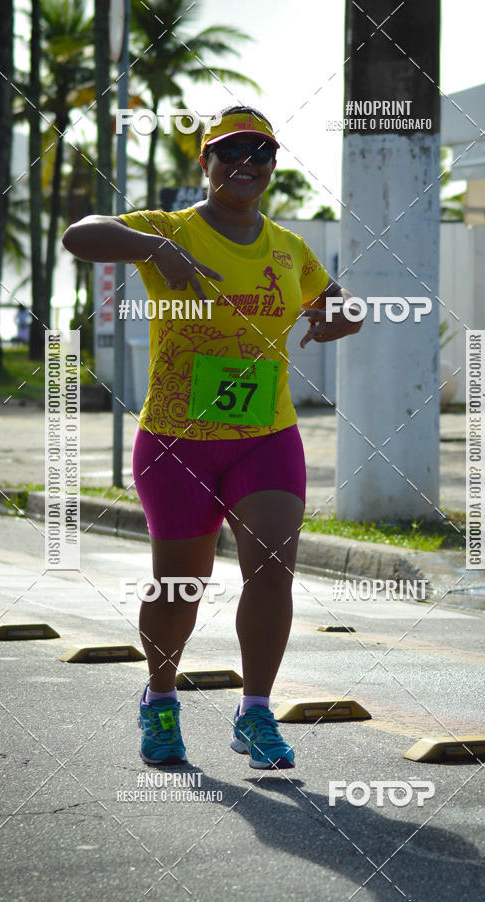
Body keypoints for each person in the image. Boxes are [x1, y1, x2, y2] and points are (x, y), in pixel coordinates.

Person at [62, 105, 360, 770]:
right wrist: (155, 249)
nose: (245, 164)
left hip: (266, 436)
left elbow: (335, 300)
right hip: (178, 441)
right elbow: (80, 235)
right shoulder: (170, 229)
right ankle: (160, 699)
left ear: (272, 166)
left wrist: (344, 315)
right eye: (230, 152)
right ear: (206, 162)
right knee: (180, 585)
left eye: (261, 153)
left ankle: (255, 713)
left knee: (272, 570)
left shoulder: (288, 247)